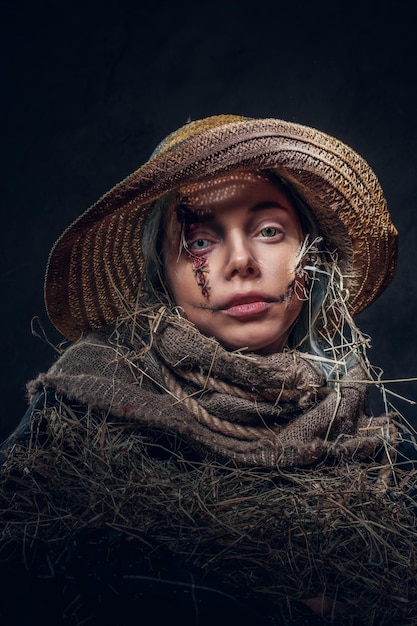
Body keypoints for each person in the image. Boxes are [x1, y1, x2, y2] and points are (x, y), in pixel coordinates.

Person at [1, 114, 416, 625]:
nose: (240, 261)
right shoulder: (85, 397)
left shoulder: (367, 432)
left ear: (311, 259)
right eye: (199, 241)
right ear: (164, 275)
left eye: (268, 230)